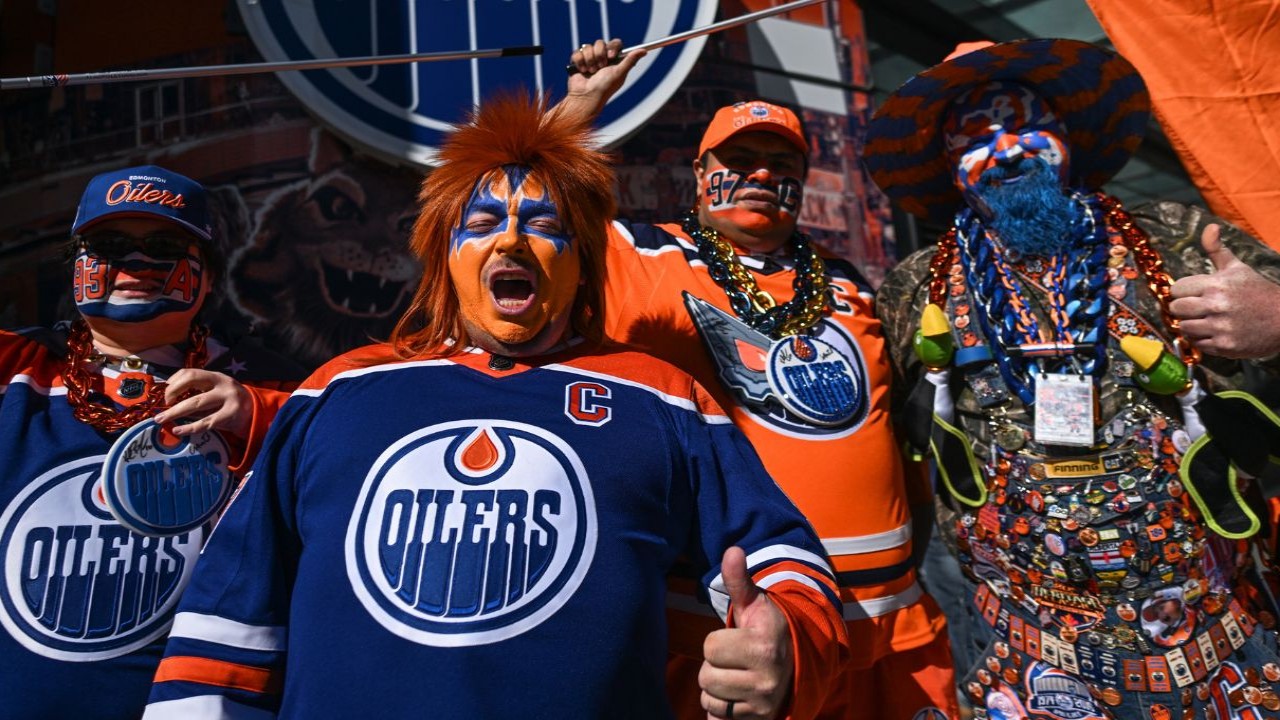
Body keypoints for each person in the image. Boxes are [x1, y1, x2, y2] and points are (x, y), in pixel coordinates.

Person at [141, 94, 848, 720]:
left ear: (583, 260)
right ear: (443, 253)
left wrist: (784, 644)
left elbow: (783, 554)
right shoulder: (338, 389)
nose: (510, 239)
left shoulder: (662, 395)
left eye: (543, 223)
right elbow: (233, 604)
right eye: (481, 221)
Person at [865, 38, 1280, 716]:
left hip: (1216, 640)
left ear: (1065, 134)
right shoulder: (916, 289)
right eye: (976, 137)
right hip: (1029, 658)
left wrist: (1278, 318)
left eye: (1024, 123)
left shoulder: (1173, 237)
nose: (1007, 150)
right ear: (949, 166)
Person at [562, 40, 958, 720]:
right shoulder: (637, 256)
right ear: (699, 173)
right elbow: (527, 199)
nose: (761, 175)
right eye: (738, 161)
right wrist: (581, 105)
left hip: (891, 629)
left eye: (781, 163)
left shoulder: (848, 283)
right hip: (731, 638)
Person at [0, 165, 304, 719]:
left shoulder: (272, 387)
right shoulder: (15, 371)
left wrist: (263, 417)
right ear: (76, 266)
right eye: (110, 245)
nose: (135, 264)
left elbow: (352, 454)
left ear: (208, 276)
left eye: (164, 246)